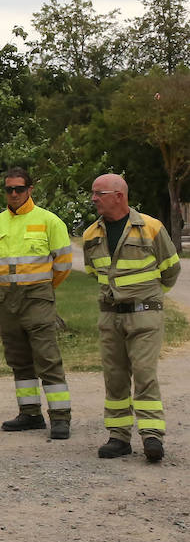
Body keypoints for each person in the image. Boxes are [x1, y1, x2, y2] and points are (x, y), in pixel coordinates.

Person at [84, 173, 181, 462]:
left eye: (98, 193)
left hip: (144, 317)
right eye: (93, 193)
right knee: (114, 377)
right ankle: (118, 437)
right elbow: (94, 273)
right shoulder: (91, 235)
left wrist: (149, 297)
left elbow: (171, 270)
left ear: (119, 196)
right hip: (110, 318)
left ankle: (152, 436)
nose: (93, 199)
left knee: (144, 374)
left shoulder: (151, 228)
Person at [0, 168, 74, 439]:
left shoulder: (49, 221)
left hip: (37, 298)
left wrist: (42, 289)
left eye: (19, 189)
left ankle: (60, 417)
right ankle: (30, 413)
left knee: (47, 358)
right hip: (7, 300)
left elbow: (63, 265)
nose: (13, 194)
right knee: (18, 360)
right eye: (9, 189)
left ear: (30, 190)